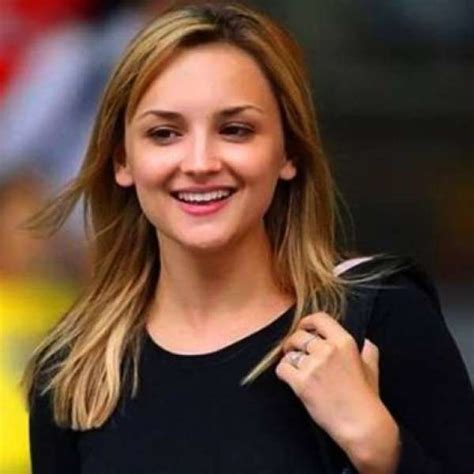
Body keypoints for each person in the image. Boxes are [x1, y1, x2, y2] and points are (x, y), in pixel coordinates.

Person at [22, 3, 474, 474]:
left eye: (235, 130)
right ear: (122, 161)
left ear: (289, 151)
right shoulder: (73, 371)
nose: (200, 162)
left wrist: (379, 447)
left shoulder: (375, 319)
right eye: (165, 133)